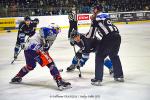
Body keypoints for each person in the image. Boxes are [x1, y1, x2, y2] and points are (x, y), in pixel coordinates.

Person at [10, 23, 71, 90]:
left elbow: (45, 48)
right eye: (56, 30)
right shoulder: (48, 31)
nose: (56, 32)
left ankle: (17, 77)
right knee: (51, 64)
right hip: (35, 50)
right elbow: (42, 29)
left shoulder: (48, 36)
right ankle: (59, 80)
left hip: (28, 50)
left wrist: (45, 47)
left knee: (30, 66)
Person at [87, 5, 124, 86]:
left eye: (94, 10)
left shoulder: (95, 19)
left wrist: (84, 36)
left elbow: (91, 35)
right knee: (114, 55)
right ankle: (119, 76)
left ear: (96, 10)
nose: (93, 11)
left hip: (108, 37)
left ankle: (98, 79)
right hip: (117, 36)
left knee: (99, 56)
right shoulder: (106, 16)